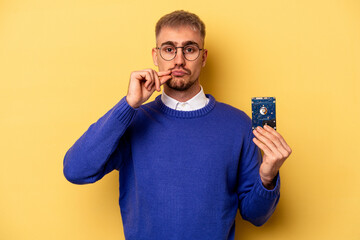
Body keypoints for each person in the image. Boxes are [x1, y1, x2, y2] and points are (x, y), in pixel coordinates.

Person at [63, 10, 292, 240]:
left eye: (190, 49)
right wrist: (129, 104)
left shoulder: (238, 124)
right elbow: (76, 170)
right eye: (169, 49)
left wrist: (267, 177)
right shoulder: (133, 120)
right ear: (156, 56)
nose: (179, 60)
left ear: (203, 57)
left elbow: (256, 216)